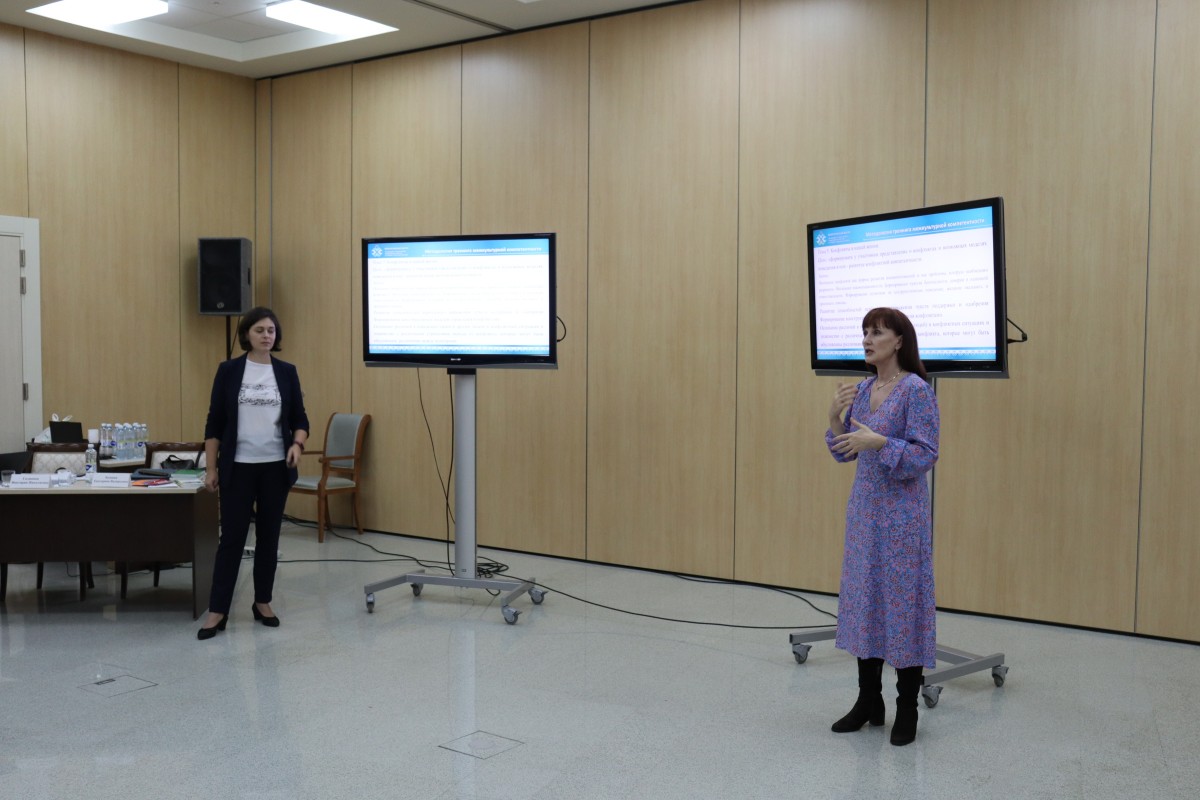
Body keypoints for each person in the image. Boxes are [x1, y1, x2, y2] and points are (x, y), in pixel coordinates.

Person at [824, 307, 938, 746]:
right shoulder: (863, 388)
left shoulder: (916, 390)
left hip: (902, 519)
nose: (867, 340)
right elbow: (845, 452)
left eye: (877, 332)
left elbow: (925, 454)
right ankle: (869, 701)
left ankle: (907, 707)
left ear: (899, 341)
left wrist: (882, 442)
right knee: (865, 603)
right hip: (864, 516)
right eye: (865, 332)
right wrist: (834, 418)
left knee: (903, 608)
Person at [198, 307, 309, 640]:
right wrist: (211, 468)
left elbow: (300, 420)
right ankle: (218, 609)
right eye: (260, 330)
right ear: (246, 333)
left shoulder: (286, 372)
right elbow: (214, 423)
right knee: (232, 539)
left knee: (268, 538)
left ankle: (263, 602)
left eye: (271, 330)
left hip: (275, 467)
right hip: (238, 467)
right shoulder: (229, 371)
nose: (266, 336)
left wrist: (297, 445)